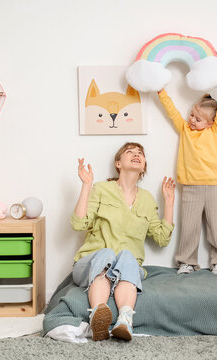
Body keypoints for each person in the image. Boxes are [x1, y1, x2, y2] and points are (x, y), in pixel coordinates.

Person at [71, 142, 175, 342]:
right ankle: (98, 316)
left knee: (128, 257)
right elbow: (78, 224)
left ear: (143, 166)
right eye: (130, 152)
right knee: (108, 254)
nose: (136, 155)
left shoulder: (147, 199)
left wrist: (169, 203)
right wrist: (86, 186)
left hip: (126, 268)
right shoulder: (101, 188)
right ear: (118, 163)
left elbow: (162, 239)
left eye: (140, 154)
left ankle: (125, 321)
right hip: (91, 262)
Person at [157, 71, 217, 275]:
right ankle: (187, 262)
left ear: (210, 123)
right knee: (189, 227)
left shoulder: (213, 131)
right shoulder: (185, 129)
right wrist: (161, 91)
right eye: (192, 114)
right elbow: (172, 111)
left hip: (211, 186)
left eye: (198, 119)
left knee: (216, 226)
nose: (192, 120)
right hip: (190, 186)